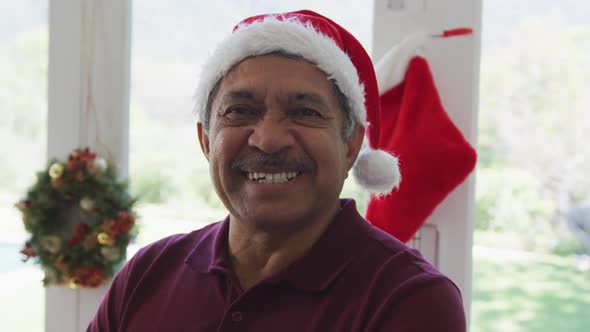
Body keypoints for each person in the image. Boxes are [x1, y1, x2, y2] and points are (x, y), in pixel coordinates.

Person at [88, 9, 466, 331]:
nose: (268, 140)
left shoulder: (409, 300)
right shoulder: (147, 275)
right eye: (240, 111)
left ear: (351, 144)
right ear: (206, 140)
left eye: (305, 112)